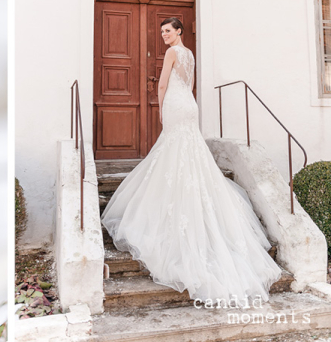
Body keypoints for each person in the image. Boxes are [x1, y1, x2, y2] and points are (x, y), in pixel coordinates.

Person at [101, 17, 283, 307]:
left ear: (179, 32)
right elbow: (190, 84)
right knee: (188, 151)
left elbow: (161, 86)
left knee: (173, 150)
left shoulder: (172, 53)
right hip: (189, 104)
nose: (163, 36)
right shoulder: (190, 55)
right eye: (161, 32)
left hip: (175, 104)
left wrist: (161, 111)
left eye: (168, 31)